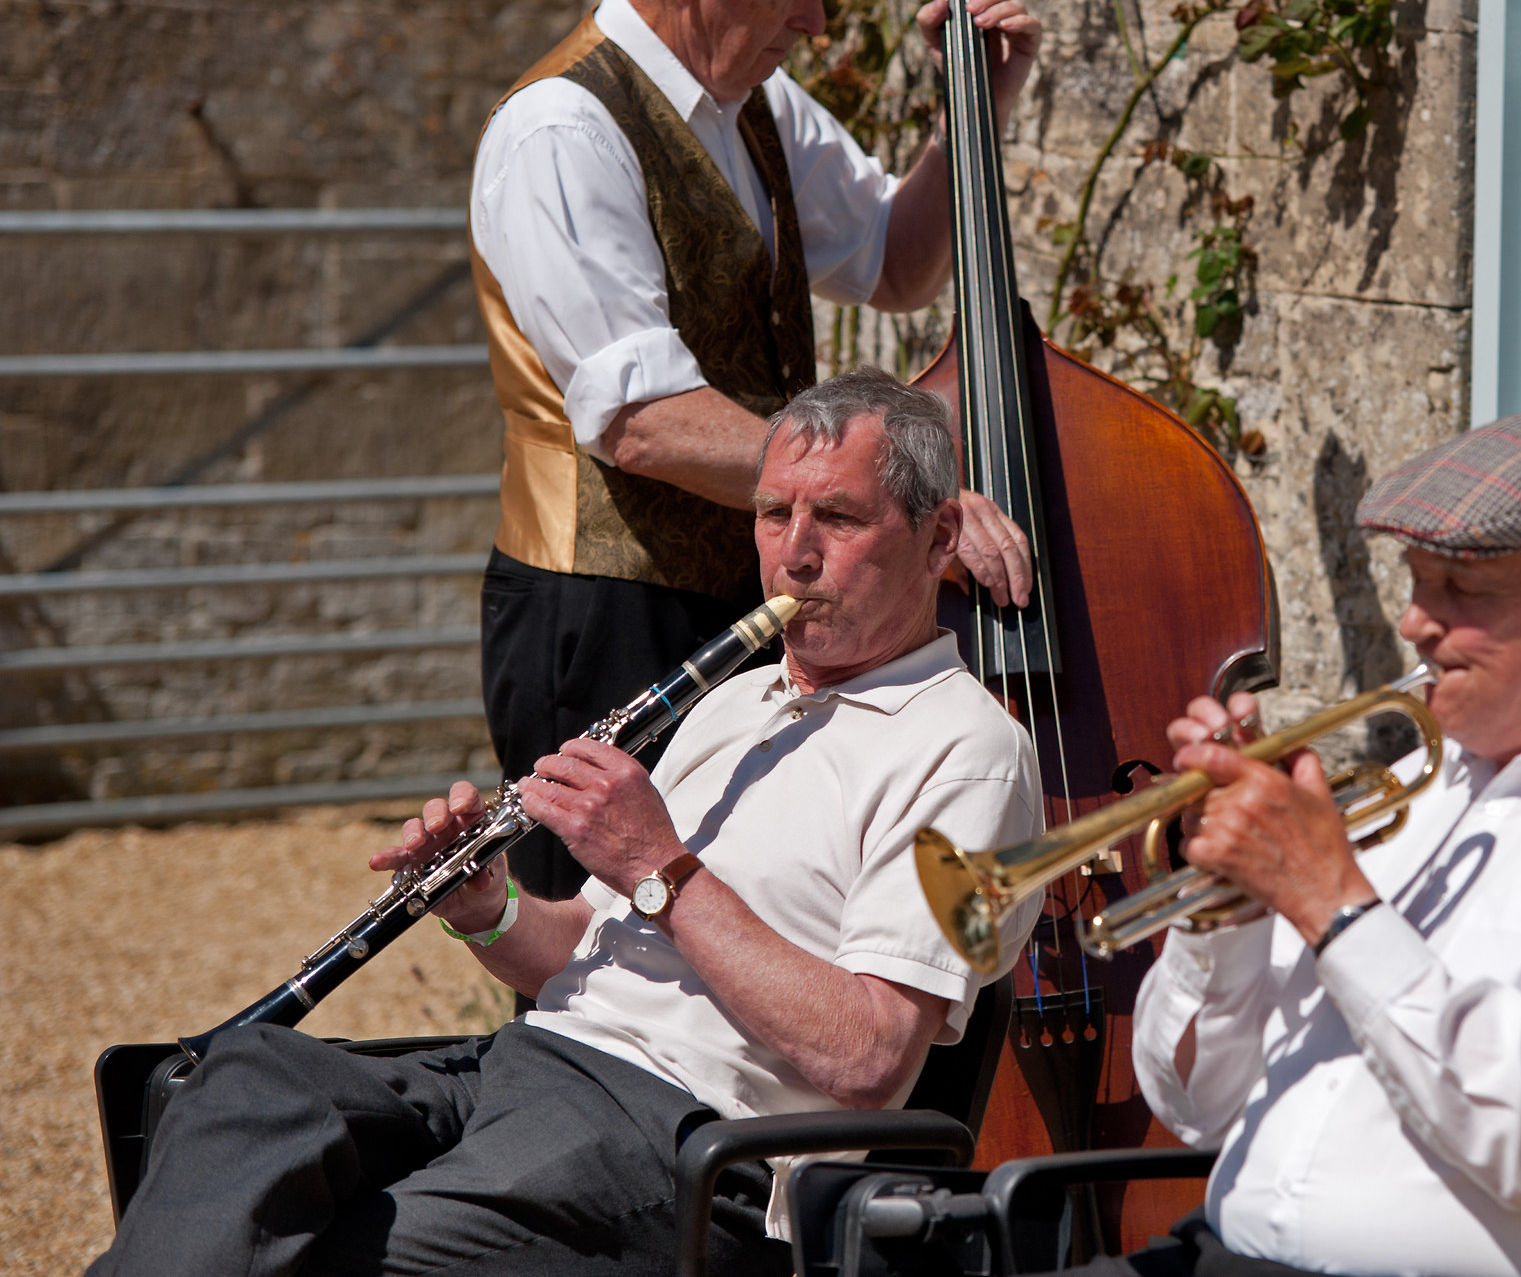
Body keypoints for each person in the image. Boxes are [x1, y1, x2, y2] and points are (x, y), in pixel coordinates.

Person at [90, 370, 1042, 1277]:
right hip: (530, 1068)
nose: (794, 552)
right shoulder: (735, 699)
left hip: (689, 1144)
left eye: (836, 517)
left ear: (938, 536)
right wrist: (486, 908)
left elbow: (870, 1054)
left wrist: (659, 867)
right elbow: (585, 950)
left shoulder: (965, 750)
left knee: (324, 1255)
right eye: (772, 513)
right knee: (244, 1082)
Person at [1045, 408, 1521, 1277]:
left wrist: (1329, 900)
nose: (1415, 623)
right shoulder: (1425, 785)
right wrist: (1223, 910)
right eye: (1416, 584)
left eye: (1463, 589)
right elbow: (1198, 1105)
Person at [470, 0, 1040, 900]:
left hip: (745, 595)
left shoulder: (757, 104)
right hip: (605, 609)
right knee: (590, 954)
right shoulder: (560, 132)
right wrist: (893, 494)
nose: (817, 19)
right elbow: (645, 419)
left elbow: (896, 262)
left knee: (732, 925)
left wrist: (980, 103)